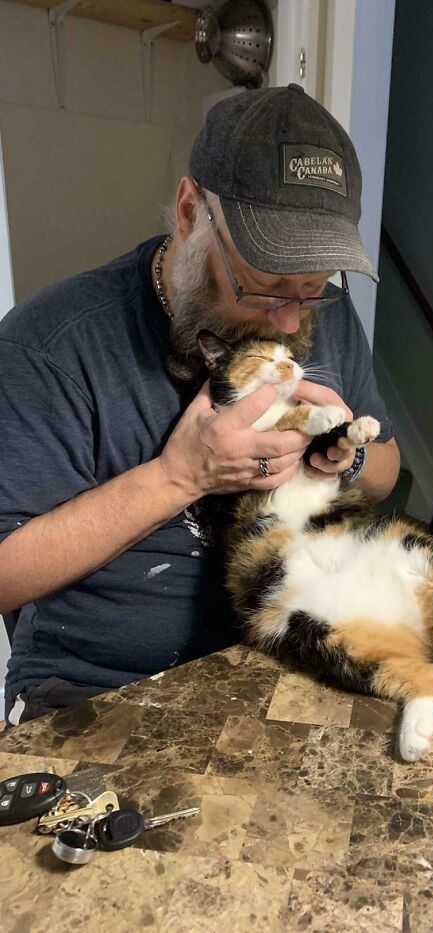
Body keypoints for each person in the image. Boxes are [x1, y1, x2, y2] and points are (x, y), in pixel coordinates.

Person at [0, 84, 399, 725]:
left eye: (314, 287)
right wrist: (179, 476)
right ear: (190, 212)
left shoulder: (327, 317)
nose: (291, 318)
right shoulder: (51, 347)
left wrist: (342, 461)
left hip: (290, 653)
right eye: (263, 284)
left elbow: (387, 467)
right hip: (100, 690)